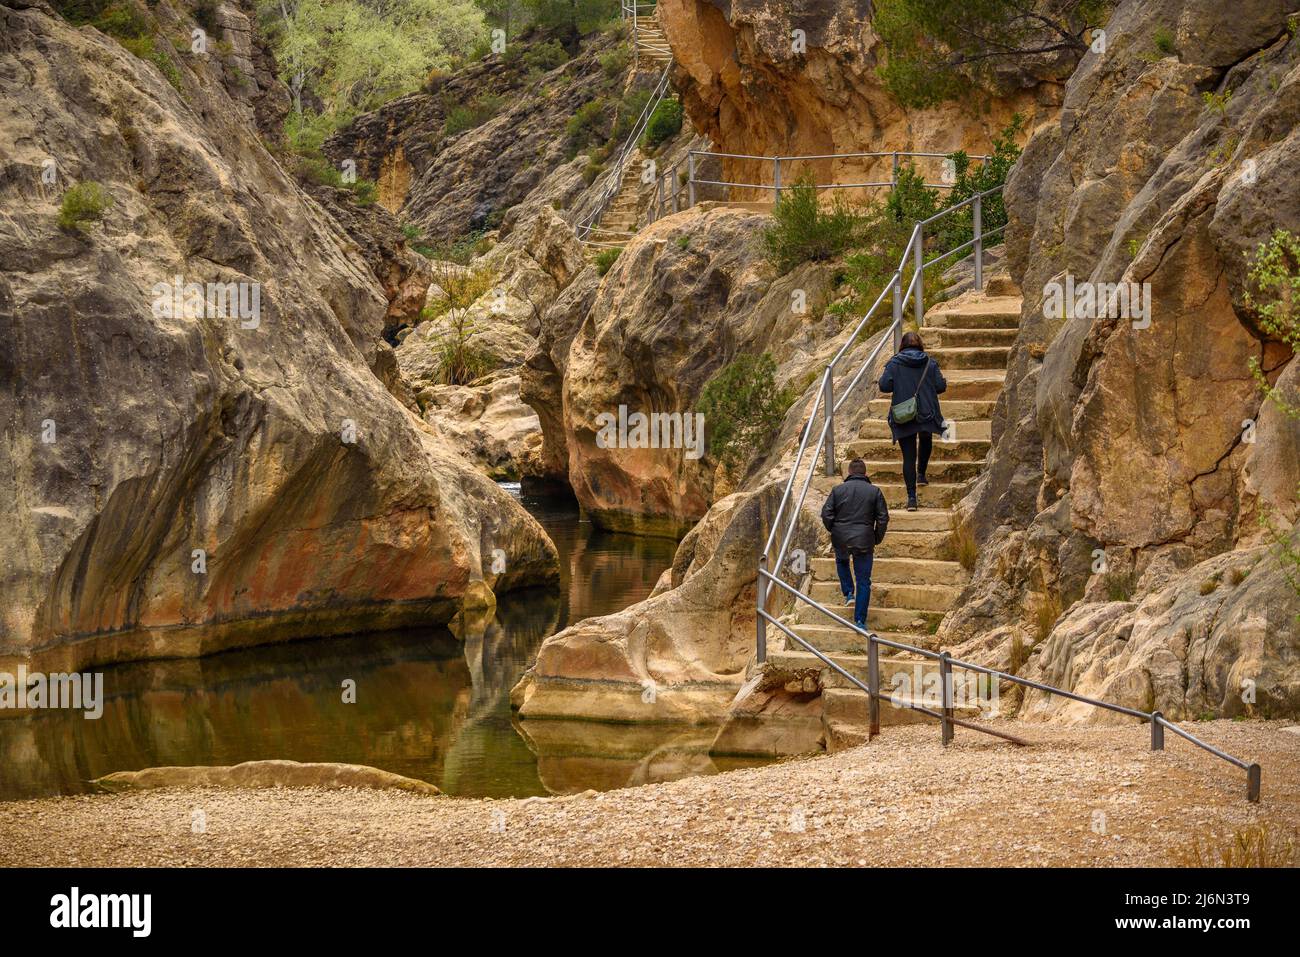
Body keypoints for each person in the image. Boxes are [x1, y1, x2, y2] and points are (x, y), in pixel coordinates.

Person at [879, 330, 947, 511]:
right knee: (926, 439)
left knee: (908, 457)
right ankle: (922, 474)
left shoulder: (894, 363)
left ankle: (911, 498)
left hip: (904, 413)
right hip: (926, 412)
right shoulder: (929, 363)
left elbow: (884, 386)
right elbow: (940, 387)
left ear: (902, 345)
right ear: (920, 345)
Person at [820, 458, 889, 630]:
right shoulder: (875, 491)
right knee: (864, 581)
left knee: (842, 561)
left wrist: (835, 530)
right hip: (864, 540)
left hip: (841, 538)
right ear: (865, 474)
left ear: (849, 473)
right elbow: (883, 518)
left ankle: (848, 592)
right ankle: (859, 620)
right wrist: (876, 538)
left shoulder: (837, 490)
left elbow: (826, 514)